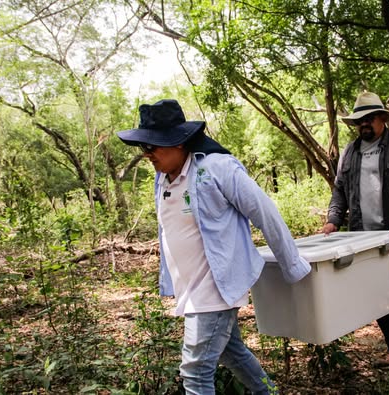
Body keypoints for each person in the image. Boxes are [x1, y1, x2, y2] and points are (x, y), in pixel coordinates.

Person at [117, 99, 311, 394]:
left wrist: (292, 265)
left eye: (153, 146)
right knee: (232, 353)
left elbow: (264, 211)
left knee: (194, 372)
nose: (147, 155)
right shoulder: (163, 179)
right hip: (191, 289)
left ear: (179, 142)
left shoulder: (217, 168)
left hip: (215, 290)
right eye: (144, 148)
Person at [321, 91, 389, 380]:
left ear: (383, 118)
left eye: (369, 118)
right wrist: (333, 220)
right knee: (375, 296)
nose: (364, 124)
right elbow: (340, 191)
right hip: (365, 239)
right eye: (360, 120)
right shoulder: (351, 152)